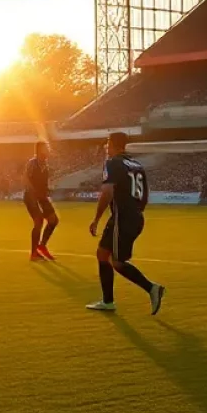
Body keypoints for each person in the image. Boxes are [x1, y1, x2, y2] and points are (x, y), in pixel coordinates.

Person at [87, 131, 165, 315]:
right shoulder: (137, 165)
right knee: (102, 253)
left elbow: (107, 192)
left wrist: (97, 219)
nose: (106, 148)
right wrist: (135, 213)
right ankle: (107, 301)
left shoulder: (112, 163)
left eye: (107, 144)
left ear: (112, 144)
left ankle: (151, 288)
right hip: (135, 217)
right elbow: (144, 196)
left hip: (123, 219)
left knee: (117, 262)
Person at [24, 141, 59, 260]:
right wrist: (33, 194)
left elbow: (43, 183)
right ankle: (34, 253)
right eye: (46, 148)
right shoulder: (32, 163)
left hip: (42, 197)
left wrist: (47, 190)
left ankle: (42, 245)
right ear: (39, 150)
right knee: (38, 221)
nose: (48, 150)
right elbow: (26, 179)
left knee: (53, 220)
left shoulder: (45, 164)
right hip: (31, 196)